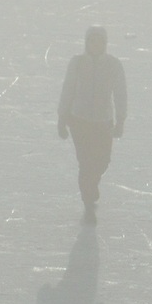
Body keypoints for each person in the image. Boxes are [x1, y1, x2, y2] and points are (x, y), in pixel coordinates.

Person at [58, 27, 127, 223]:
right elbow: (68, 89)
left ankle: (92, 184)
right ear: (87, 43)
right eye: (92, 41)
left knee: (102, 161)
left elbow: (120, 93)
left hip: (103, 121)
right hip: (79, 120)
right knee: (85, 160)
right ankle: (87, 193)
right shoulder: (77, 64)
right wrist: (62, 118)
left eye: (100, 42)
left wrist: (121, 119)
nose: (96, 45)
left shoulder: (113, 65)